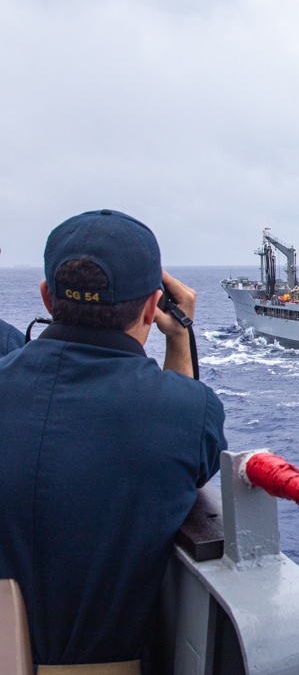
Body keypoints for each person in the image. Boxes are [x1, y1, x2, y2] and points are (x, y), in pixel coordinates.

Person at [0, 209, 227, 671]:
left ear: (47, 298)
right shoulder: (187, 411)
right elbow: (190, 456)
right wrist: (179, 339)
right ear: (152, 306)